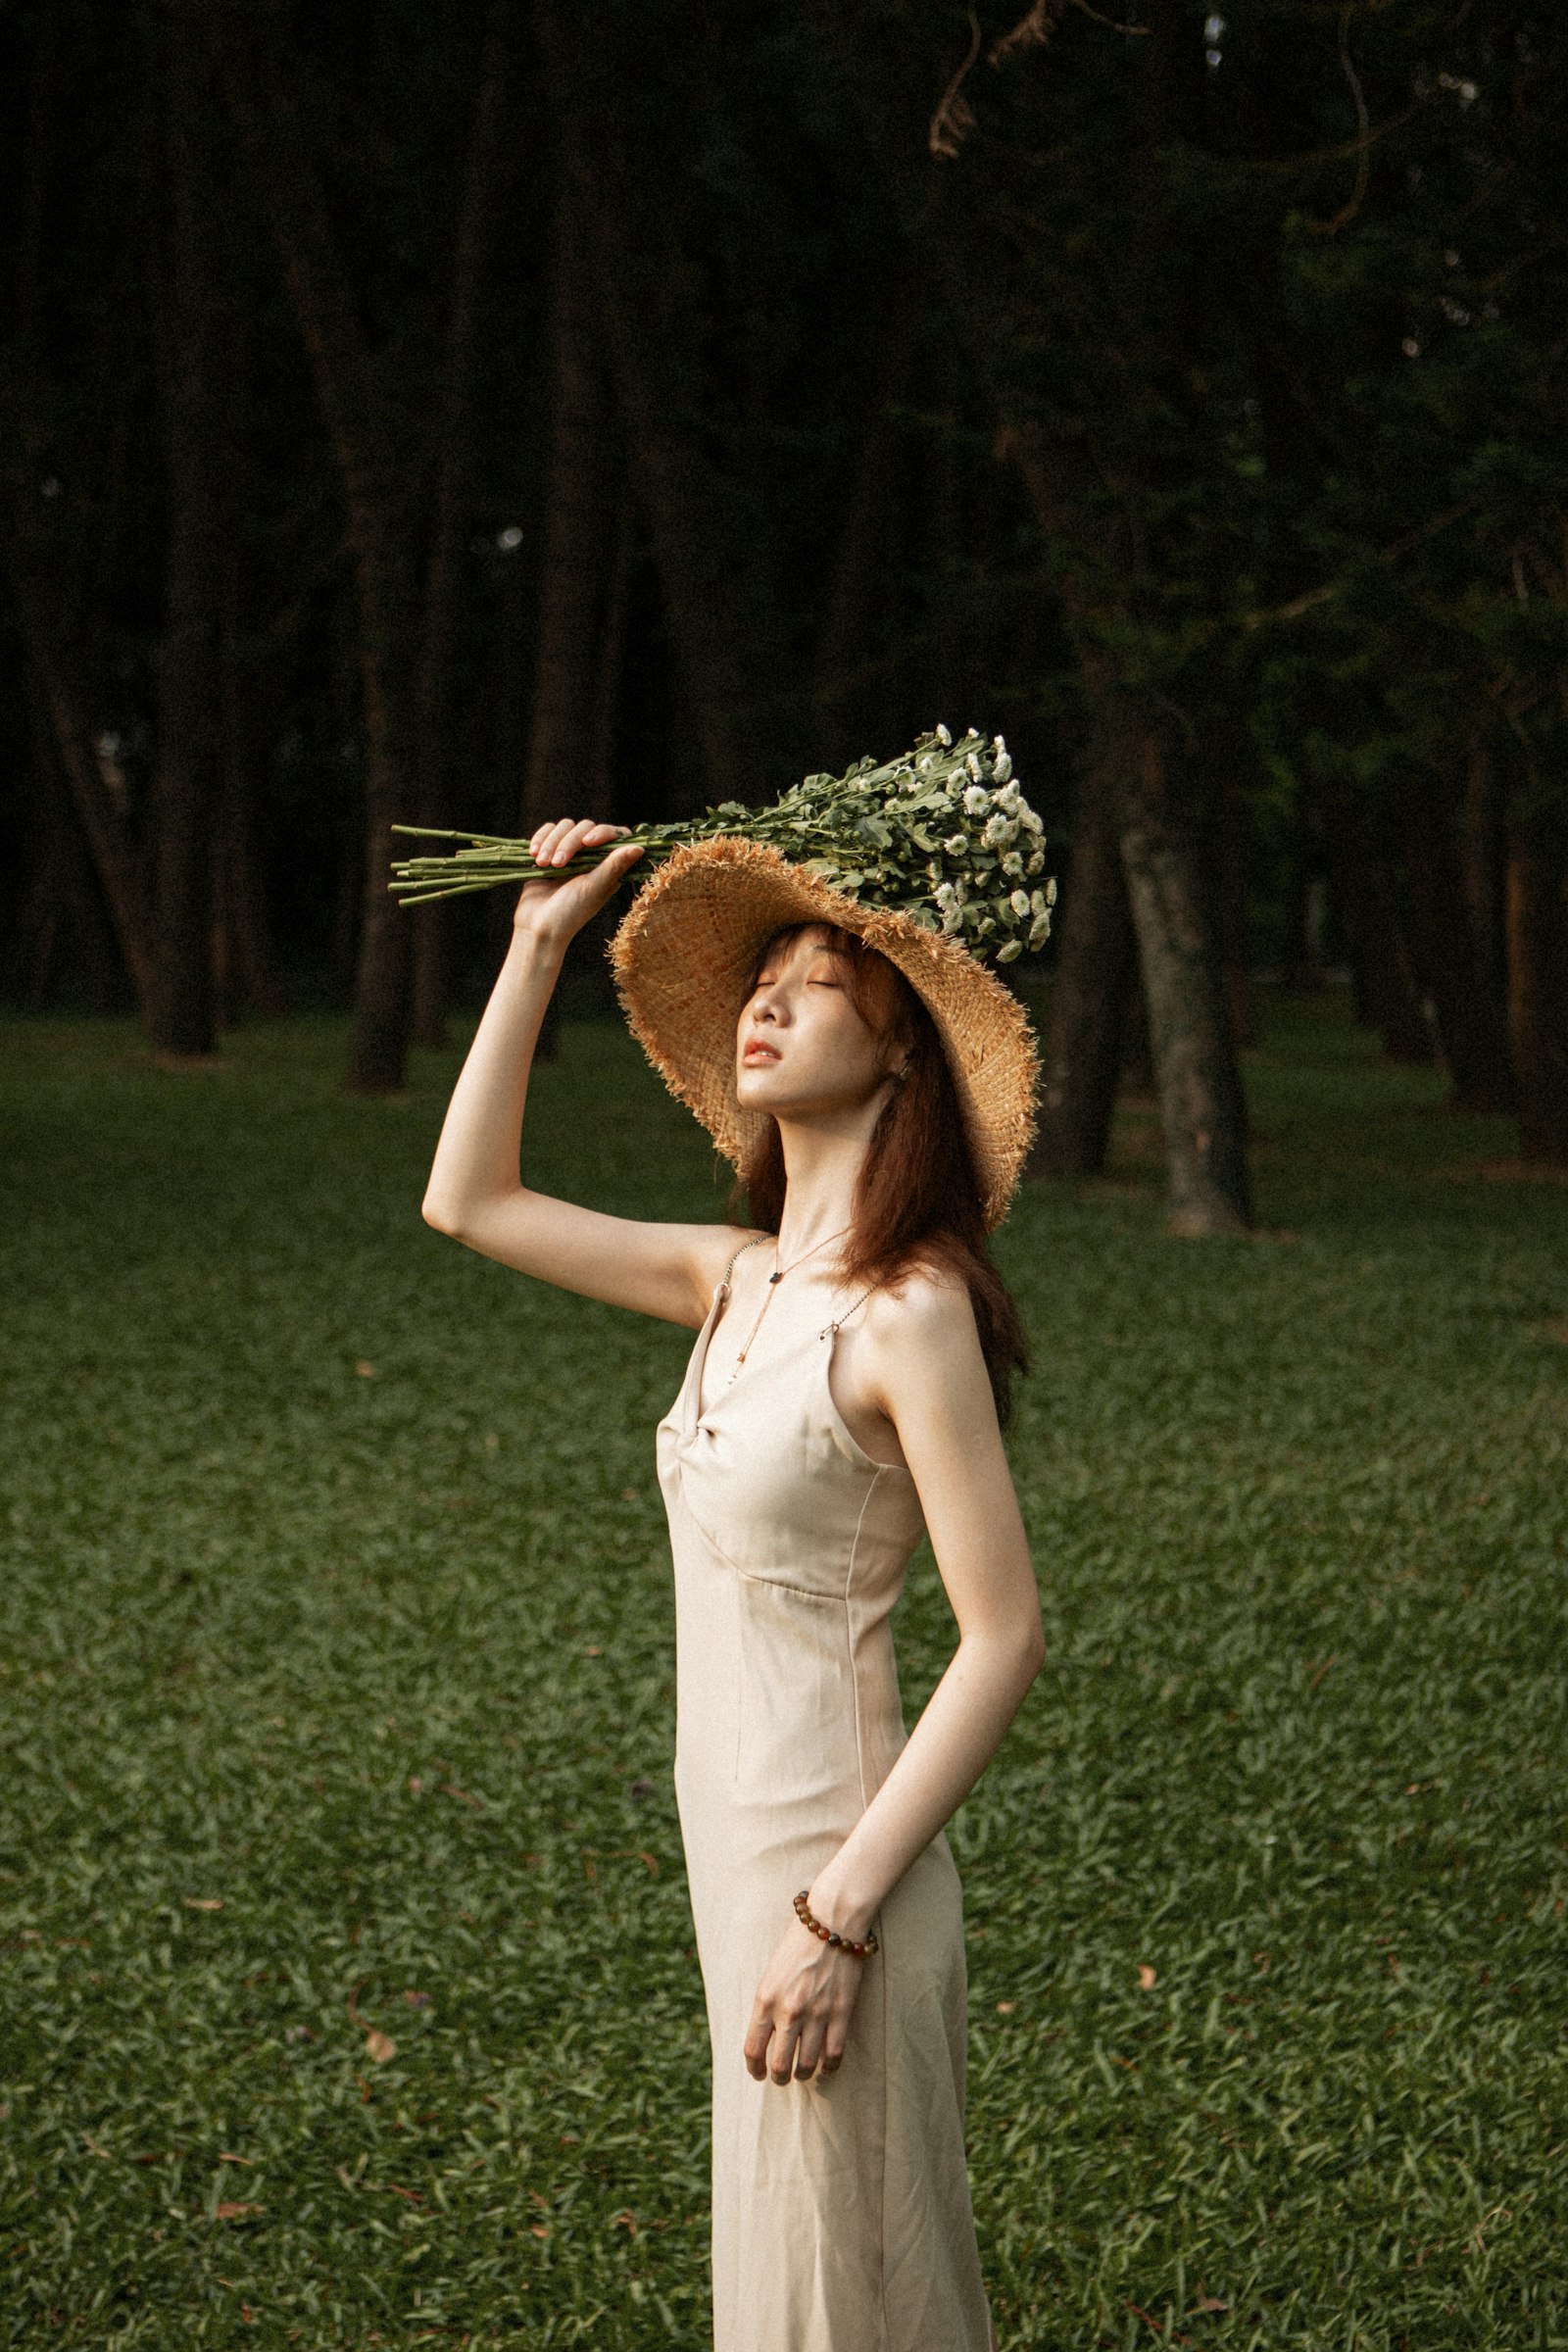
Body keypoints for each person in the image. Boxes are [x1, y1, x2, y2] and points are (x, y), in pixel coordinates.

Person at [420, 813, 1047, 2352]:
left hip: (838, 1863)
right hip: (732, 1843)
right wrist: (538, 944)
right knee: (789, 2268)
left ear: (901, 1056)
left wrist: (835, 1922)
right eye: (759, 978)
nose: (765, 1003)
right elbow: (469, 1202)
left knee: (855, 2285)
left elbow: (1008, 1637)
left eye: (816, 981)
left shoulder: (912, 1316)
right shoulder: (734, 1274)